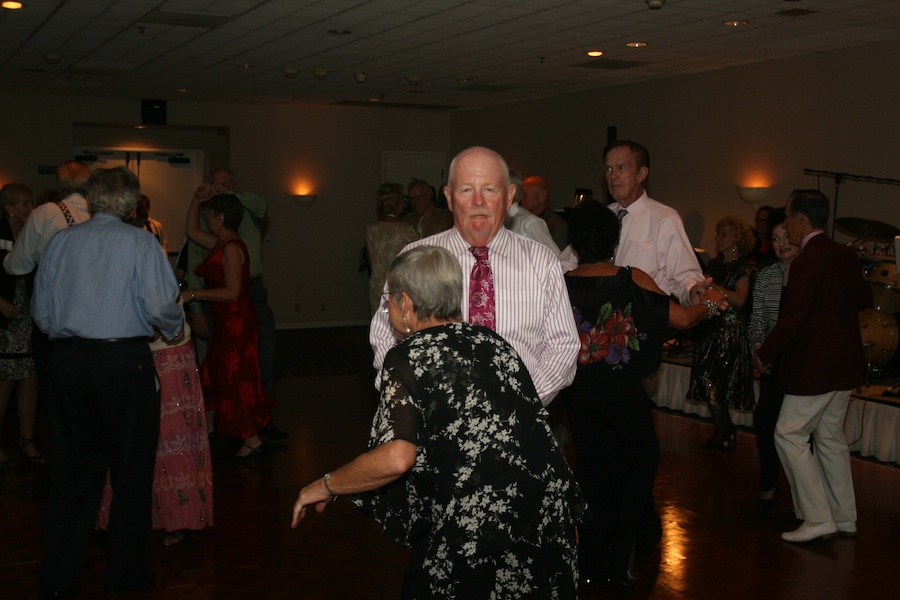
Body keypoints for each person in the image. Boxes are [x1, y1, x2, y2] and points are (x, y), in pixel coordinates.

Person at [293, 246, 585, 598]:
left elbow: (398, 456)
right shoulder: (493, 342)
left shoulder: (407, 356)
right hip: (541, 516)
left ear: (405, 303)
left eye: (389, 300)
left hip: (479, 528)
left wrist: (325, 485)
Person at [32, 166, 183, 596]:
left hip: (69, 364)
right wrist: (172, 330)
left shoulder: (61, 241)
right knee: (131, 476)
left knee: (71, 477)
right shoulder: (140, 242)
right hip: (123, 364)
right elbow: (161, 304)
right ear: (132, 203)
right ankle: (125, 576)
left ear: (93, 199)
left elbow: (42, 313)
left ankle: (59, 577)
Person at [565, 199, 724, 586]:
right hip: (621, 392)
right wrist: (713, 304)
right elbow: (684, 318)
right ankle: (620, 555)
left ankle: (587, 561)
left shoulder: (561, 280)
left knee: (589, 471)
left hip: (578, 393)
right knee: (643, 461)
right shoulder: (630, 277)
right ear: (613, 238)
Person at [370, 146, 579, 407]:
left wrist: (521, 405)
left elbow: (563, 345)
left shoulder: (541, 261)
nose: (478, 201)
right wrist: (415, 399)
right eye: (466, 189)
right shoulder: (415, 259)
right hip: (435, 425)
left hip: (520, 425)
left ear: (509, 196)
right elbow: (385, 336)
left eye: (489, 189)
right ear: (448, 197)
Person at [754, 189, 873, 543]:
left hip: (816, 369)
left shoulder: (807, 261)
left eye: (788, 217)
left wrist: (763, 355)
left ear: (802, 220)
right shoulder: (843, 255)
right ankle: (844, 516)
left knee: (787, 434)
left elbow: (790, 321)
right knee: (830, 439)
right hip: (845, 366)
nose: (785, 223)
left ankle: (818, 517)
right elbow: (864, 299)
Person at [97, 299, 214, 547]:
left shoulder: (151, 264)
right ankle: (145, 516)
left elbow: (167, 328)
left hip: (168, 357)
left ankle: (180, 518)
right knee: (138, 440)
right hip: (141, 358)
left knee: (172, 440)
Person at [185, 167, 285, 441]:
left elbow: (231, 291)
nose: (221, 188)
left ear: (219, 217)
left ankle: (255, 427)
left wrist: (192, 295)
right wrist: (196, 200)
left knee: (254, 364)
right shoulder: (218, 240)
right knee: (220, 371)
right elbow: (193, 236)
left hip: (240, 309)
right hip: (221, 310)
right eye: (216, 185)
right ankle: (226, 429)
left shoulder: (238, 232)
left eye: (226, 184)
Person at [602, 140, 707, 306]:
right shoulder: (600, 217)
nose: (612, 176)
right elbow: (568, 265)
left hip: (643, 322)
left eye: (621, 168)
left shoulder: (665, 220)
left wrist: (693, 292)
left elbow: (685, 278)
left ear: (641, 174)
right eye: (608, 169)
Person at [686, 216, 756, 449]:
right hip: (711, 328)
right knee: (707, 379)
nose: (719, 238)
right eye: (719, 233)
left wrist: (713, 287)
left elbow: (740, 299)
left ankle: (724, 431)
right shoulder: (714, 264)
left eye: (724, 234)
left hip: (730, 332)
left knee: (714, 381)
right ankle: (726, 429)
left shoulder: (743, 267)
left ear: (737, 238)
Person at [749, 207, 800, 510]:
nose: (781, 243)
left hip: (803, 366)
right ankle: (769, 481)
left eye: (786, 237)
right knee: (764, 421)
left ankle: (801, 495)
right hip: (772, 362)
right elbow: (756, 321)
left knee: (797, 433)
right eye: (776, 238)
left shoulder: (810, 274)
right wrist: (756, 347)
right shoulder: (767, 276)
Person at [0, 183, 42, 466]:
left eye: (31, 203)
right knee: (4, 381)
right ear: (9, 209)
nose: (30, 209)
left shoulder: (32, 233)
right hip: (3, 314)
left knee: (30, 378)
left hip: (28, 313)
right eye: (24, 204)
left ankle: (26, 439)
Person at [3, 160, 92, 276]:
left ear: (59, 186)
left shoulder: (47, 213)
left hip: (55, 289)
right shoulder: (99, 213)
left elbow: (17, 265)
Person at [365, 182, 418, 314]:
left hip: (378, 286)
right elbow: (414, 263)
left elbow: (371, 263)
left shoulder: (371, 229)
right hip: (400, 287)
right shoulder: (407, 230)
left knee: (379, 327)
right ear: (399, 203)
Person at [505, 170, 561, 256]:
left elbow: (557, 261)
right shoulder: (495, 222)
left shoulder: (528, 224)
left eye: (490, 189)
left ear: (511, 192)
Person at [522, 175, 568, 252]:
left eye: (525, 194)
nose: (521, 198)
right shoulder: (525, 221)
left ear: (541, 196)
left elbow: (561, 261)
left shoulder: (556, 227)